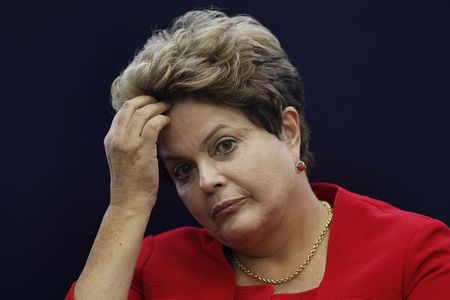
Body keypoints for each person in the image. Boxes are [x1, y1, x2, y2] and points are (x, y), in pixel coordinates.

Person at [66, 9, 450, 300]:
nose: (207, 180)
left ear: (288, 131)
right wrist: (127, 206)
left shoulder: (413, 252)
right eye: (182, 170)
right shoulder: (152, 268)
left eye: (225, 145)